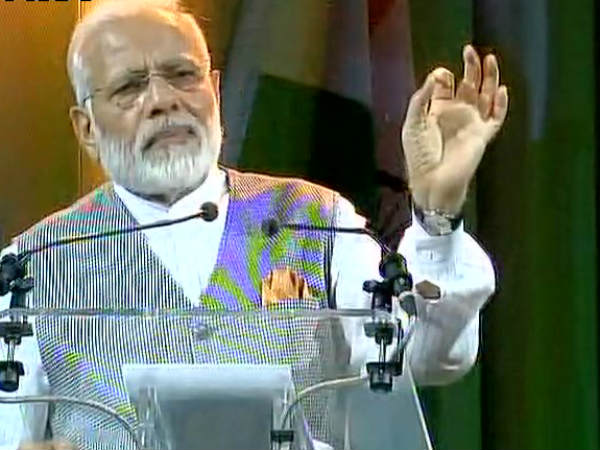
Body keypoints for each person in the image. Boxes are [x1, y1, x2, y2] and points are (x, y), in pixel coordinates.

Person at [0, 0, 508, 448]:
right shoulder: (28, 270)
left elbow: (427, 356)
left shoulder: (317, 220)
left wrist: (437, 213)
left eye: (182, 75)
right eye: (130, 87)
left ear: (216, 92)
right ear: (86, 128)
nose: (163, 101)